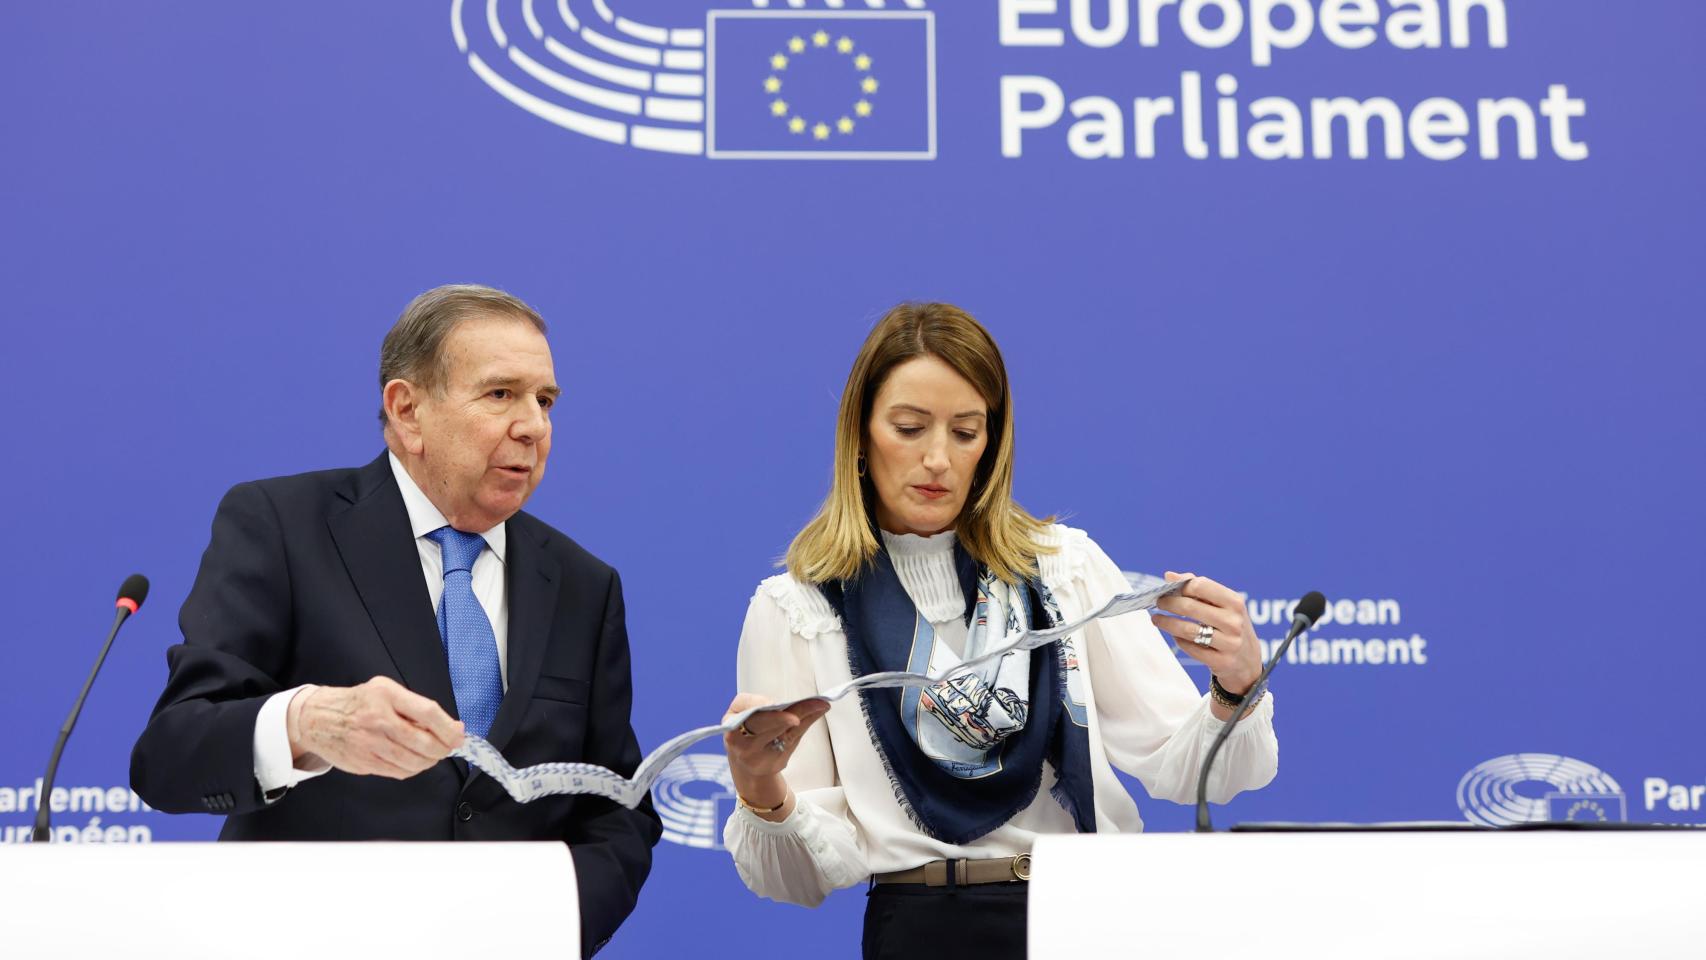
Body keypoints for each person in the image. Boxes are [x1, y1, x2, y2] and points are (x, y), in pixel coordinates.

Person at [721, 302, 1279, 959]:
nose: (937, 458)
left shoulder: (1063, 569)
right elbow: (808, 874)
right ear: (861, 435)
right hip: (922, 930)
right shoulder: (798, 607)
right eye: (909, 427)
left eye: (965, 431)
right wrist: (763, 791)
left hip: (1090, 918)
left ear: (993, 442)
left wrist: (1235, 686)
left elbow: (1193, 773)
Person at [130, 284, 660, 958]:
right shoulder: (284, 527)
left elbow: (616, 806)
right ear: (407, 410)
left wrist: (548, 926)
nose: (533, 425)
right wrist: (305, 724)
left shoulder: (584, 584)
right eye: (501, 395)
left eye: (545, 400)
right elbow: (170, 753)